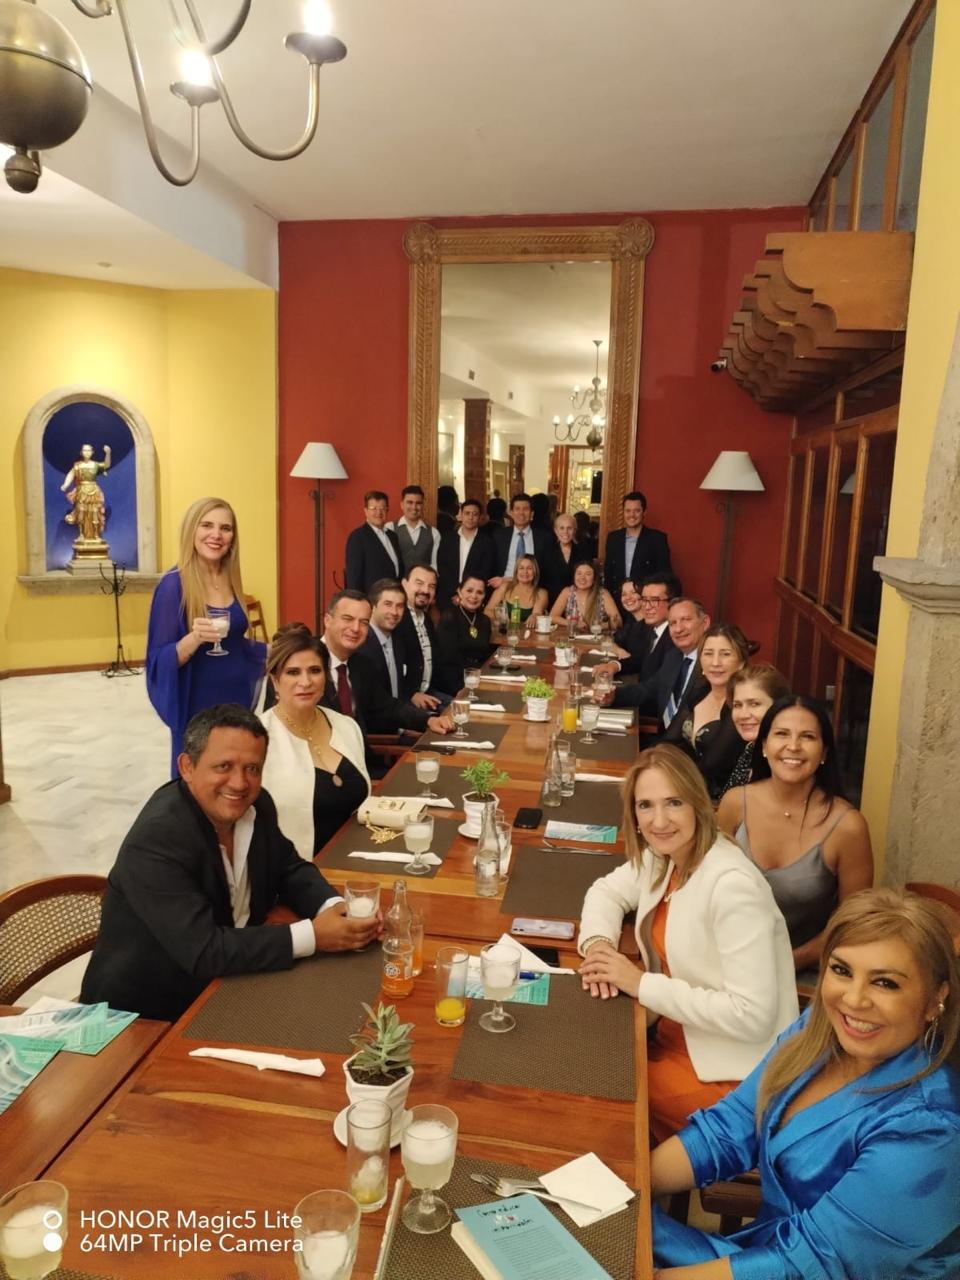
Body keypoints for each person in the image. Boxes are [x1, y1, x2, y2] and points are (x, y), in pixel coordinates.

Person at [650, 888, 960, 1280]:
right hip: (769, 1257)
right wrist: (632, 1185)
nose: (854, 1000)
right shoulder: (821, 1030)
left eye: (885, 983)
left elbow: (815, 1264)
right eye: (842, 970)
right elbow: (730, 1129)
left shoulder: (932, 1129)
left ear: (934, 999)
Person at [80, 704, 379, 1022]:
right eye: (224, 766)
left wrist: (335, 908)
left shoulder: (257, 804)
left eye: (252, 769)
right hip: (144, 1017)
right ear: (187, 767)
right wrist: (314, 936)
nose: (239, 783)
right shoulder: (157, 839)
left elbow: (289, 868)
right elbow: (204, 951)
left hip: (230, 981)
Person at [578, 745, 798, 1142]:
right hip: (673, 1036)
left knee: (596, 1096)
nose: (659, 820)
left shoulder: (732, 885)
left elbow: (752, 1016)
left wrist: (639, 983)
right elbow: (606, 891)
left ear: (697, 803)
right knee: (584, 1058)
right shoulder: (666, 854)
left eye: (674, 802)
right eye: (645, 806)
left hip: (730, 1074)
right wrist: (598, 946)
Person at [717, 695, 874, 972]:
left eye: (808, 737)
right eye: (781, 734)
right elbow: (707, 884)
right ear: (764, 745)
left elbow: (852, 923)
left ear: (824, 752)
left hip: (803, 972)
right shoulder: (734, 803)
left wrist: (786, 963)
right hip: (724, 958)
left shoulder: (848, 826)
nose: (793, 746)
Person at [146, 497, 266, 775]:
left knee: (235, 775)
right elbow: (157, 659)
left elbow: (235, 644)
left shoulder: (230, 577)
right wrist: (193, 639)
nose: (216, 534)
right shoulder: (173, 585)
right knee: (202, 779)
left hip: (235, 700)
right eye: (207, 525)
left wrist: (275, 650)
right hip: (198, 705)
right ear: (192, 529)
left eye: (225, 528)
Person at [259, 626, 370, 860]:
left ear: (326, 676)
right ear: (275, 680)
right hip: (294, 871)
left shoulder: (346, 726)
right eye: (293, 672)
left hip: (359, 858)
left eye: (315, 670)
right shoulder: (258, 739)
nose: (306, 681)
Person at [320, 589, 451, 740]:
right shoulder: (307, 662)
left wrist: (428, 720)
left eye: (364, 622)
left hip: (361, 752)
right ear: (327, 620)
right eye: (348, 619)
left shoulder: (361, 664)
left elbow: (387, 707)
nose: (355, 628)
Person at [663, 624, 752, 801]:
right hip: (685, 786)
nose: (715, 662)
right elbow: (668, 741)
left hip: (719, 801)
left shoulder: (741, 705)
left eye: (725, 654)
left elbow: (711, 766)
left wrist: (668, 772)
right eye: (709, 653)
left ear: (741, 663)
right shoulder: (699, 691)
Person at [607, 597, 710, 727]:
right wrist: (612, 695)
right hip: (662, 733)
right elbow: (648, 689)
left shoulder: (712, 665)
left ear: (705, 622)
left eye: (686, 620)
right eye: (672, 623)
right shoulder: (674, 656)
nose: (678, 629)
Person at [718, 663, 791, 797]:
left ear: (779, 706)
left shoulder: (787, 756)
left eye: (754, 704)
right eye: (737, 705)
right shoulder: (751, 747)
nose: (743, 715)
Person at [395, 564, 451, 704]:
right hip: (406, 700)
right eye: (419, 583)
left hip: (428, 692)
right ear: (404, 584)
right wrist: (411, 695)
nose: (426, 590)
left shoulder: (426, 619)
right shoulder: (396, 618)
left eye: (431, 586)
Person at [603, 490, 672, 600]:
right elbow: (608, 573)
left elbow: (664, 575)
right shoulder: (613, 538)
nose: (632, 515)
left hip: (645, 600)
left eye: (637, 511)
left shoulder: (657, 539)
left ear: (644, 512)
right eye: (628, 511)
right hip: (617, 599)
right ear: (623, 512)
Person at [435, 573, 494, 692]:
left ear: (484, 596)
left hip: (478, 678)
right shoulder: (449, 617)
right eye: (469, 590)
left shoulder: (485, 621)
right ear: (460, 591)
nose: (474, 596)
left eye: (479, 592)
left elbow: (484, 655)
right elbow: (448, 659)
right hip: (453, 682)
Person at [436, 497, 495, 606]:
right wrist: (456, 592)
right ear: (461, 515)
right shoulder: (448, 538)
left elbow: (485, 571)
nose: (470, 517)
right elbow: (442, 566)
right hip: (448, 595)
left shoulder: (487, 542)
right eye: (467, 513)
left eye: (475, 514)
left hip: (473, 597)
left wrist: (465, 594)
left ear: (480, 517)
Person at [359, 578, 410, 699]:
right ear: (372, 606)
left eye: (399, 606)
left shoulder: (400, 640)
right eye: (388, 604)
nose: (394, 612)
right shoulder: (361, 643)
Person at [343, 490, 401, 592]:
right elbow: (353, 577)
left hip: (394, 595)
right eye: (374, 508)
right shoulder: (357, 537)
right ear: (365, 511)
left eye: (382, 508)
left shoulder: (393, 536)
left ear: (387, 510)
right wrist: (357, 600)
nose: (379, 513)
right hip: (370, 598)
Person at [490, 492, 551, 585]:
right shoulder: (499, 536)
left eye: (525, 509)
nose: (521, 513)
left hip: (532, 587)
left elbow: (547, 570)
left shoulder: (544, 538)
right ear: (511, 513)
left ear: (532, 514)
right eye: (517, 509)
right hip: (503, 585)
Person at [549, 559, 622, 631]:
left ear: (594, 579)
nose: (582, 577)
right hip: (572, 636)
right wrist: (572, 623)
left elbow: (619, 622)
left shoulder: (603, 594)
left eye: (588, 574)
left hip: (597, 637)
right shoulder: (567, 592)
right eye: (579, 573)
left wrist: (608, 624)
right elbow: (552, 617)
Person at [61, 442, 111, 543]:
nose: (87, 452)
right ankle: (81, 535)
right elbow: (71, 474)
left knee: (95, 512)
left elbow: (106, 465)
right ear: (81, 452)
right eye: (84, 450)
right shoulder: (78, 465)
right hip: (82, 491)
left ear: (92, 452)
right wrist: (65, 484)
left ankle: (96, 535)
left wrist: (108, 453)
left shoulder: (95, 464)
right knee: (81, 512)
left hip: (94, 491)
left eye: (88, 450)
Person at [386, 484, 440, 575]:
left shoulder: (434, 533)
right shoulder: (389, 528)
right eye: (410, 502)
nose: (414, 507)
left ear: (423, 506)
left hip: (423, 583)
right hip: (396, 582)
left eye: (418, 503)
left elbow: (434, 566)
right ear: (402, 505)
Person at [484, 553, 548, 625]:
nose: (525, 572)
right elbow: (488, 610)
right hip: (503, 630)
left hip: (528, 631)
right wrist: (500, 622)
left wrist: (535, 616)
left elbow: (537, 613)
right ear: (516, 571)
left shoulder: (541, 593)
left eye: (529, 568)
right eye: (521, 568)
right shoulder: (504, 587)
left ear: (535, 571)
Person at [540, 511, 590, 602]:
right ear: (556, 531)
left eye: (569, 528)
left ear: (574, 530)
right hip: (551, 601)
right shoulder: (546, 551)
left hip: (576, 601)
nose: (565, 532)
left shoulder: (584, 552)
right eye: (562, 528)